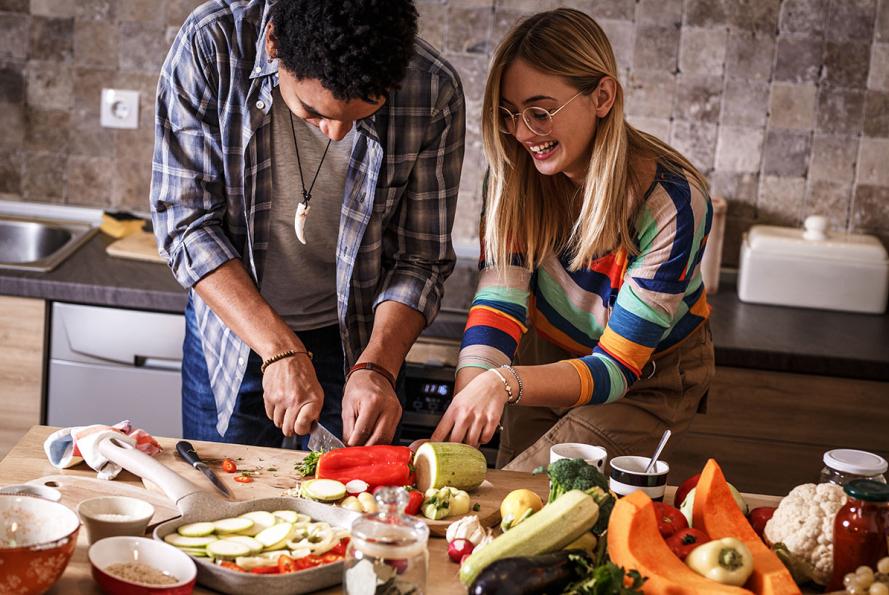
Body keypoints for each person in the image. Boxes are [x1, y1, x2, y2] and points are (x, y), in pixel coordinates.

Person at [150, 0, 465, 448]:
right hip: (232, 333)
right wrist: (280, 348)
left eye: (361, 115)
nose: (335, 133)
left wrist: (376, 367)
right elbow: (186, 224)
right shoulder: (211, 45)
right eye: (313, 112)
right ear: (274, 43)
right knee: (220, 490)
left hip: (355, 341)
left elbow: (420, 259)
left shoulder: (432, 89)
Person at [431, 8, 714, 471]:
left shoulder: (674, 203)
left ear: (602, 96)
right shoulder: (511, 175)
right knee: (501, 485)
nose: (523, 133)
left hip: (645, 373)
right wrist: (473, 388)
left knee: (536, 486)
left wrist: (501, 384)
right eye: (510, 114)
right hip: (544, 349)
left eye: (540, 112)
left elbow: (618, 367)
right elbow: (501, 299)